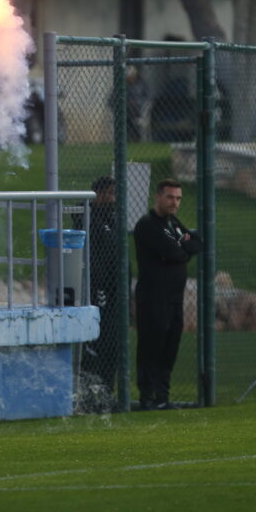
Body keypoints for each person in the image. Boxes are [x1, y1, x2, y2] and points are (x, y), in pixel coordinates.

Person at [132, 178, 201, 410]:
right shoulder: (148, 224)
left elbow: (197, 243)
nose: (175, 202)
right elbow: (174, 252)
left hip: (175, 298)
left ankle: (163, 396)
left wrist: (182, 249)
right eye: (170, 197)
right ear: (158, 197)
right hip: (153, 298)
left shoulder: (173, 224)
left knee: (170, 347)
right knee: (152, 346)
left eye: (178, 198)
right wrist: (182, 249)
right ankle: (147, 396)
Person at [78, 176, 122, 396]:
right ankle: (92, 394)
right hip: (98, 290)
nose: (114, 199)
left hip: (116, 292)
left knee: (113, 344)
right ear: (99, 194)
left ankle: (108, 392)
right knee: (96, 344)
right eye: (110, 193)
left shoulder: (113, 219)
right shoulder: (87, 217)